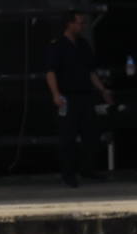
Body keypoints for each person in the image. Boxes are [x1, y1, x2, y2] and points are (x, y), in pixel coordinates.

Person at [45, 10, 114, 187]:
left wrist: (103, 90)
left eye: (83, 23)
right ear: (69, 24)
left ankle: (87, 169)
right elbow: (51, 72)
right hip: (67, 97)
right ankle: (68, 174)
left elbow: (91, 72)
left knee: (90, 135)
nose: (82, 26)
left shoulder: (83, 44)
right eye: (79, 23)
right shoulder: (58, 45)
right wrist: (55, 94)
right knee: (67, 137)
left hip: (85, 96)